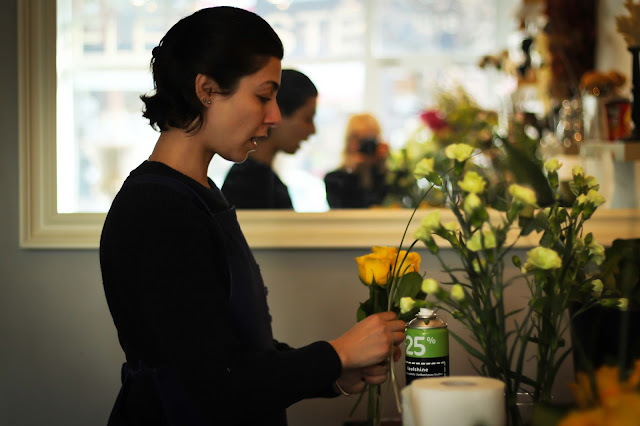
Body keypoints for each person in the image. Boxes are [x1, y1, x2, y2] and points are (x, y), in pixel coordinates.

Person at [99, 7, 405, 426]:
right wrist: (337, 354)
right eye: (263, 95)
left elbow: (237, 350)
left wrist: (334, 372)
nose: (275, 115)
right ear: (206, 89)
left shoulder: (200, 196)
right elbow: (217, 383)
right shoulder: (157, 211)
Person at [221, 69, 317, 209]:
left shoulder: (261, 177)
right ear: (277, 113)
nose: (312, 130)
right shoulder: (248, 181)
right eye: (307, 119)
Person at [324, 113, 390, 208]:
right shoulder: (334, 179)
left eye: (371, 139)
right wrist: (355, 173)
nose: (366, 146)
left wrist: (382, 168)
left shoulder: (387, 177)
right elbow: (341, 210)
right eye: (360, 140)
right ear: (349, 141)